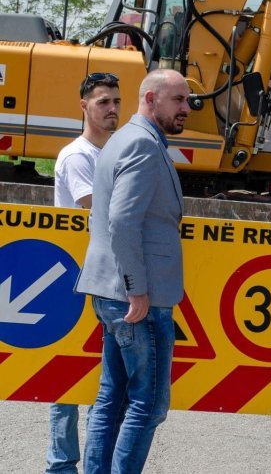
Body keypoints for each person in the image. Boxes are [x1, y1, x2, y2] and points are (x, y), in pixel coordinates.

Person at [74, 69, 191, 474]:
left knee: (112, 397)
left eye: (187, 100)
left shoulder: (126, 137)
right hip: (138, 298)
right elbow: (122, 222)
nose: (186, 109)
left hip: (113, 291)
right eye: (178, 100)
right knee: (148, 404)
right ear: (150, 98)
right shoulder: (142, 143)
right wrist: (137, 289)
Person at [46, 73, 121, 473]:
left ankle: (94, 462)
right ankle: (61, 465)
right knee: (68, 380)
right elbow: (100, 211)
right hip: (76, 277)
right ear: (84, 106)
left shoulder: (111, 154)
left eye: (116, 102)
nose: (112, 109)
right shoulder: (78, 157)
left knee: (100, 378)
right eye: (103, 102)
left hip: (101, 275)